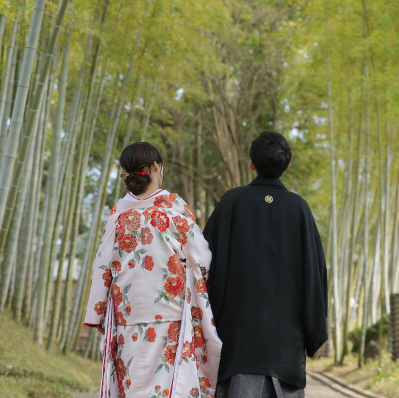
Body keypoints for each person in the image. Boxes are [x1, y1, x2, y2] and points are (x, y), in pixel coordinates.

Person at [84, 142, 222, 398]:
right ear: (157, 167)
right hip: (171, 317)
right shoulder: (173, 209)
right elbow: (202, 259)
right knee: (172, 385)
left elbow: (103, 265)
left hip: (129, 317)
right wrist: (188, 272)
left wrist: (98, 312)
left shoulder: (118, 215)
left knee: (133, 385)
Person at [203, 131, 327, 398]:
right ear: (287, 166)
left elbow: (203, 268)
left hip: (238, 345)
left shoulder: (231, 203)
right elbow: (315, 276)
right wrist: (313, 333)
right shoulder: (299, 209)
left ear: (251, 163)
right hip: (286, 348)